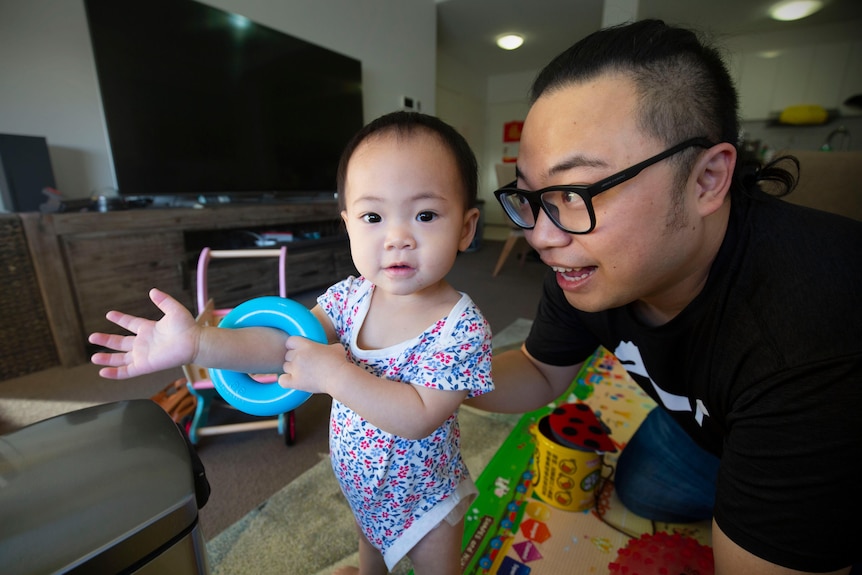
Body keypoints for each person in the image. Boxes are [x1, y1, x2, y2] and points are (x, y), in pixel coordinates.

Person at [467, 19, 862, 575]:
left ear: (706, 179)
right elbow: (539, 370)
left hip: (809, 411)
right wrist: (423, 373)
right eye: (531, 197)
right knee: (645, 491)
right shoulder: (584, 260)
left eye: (573, 191)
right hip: (712, 423)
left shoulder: (810, 334)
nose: (540, 236)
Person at [89, 111, 493, 575]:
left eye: (425, 214)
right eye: (373, 216)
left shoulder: (462, 328)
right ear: (348, 225)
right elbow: (283, 345)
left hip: (426, 500)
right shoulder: (350, 298)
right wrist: (201, 345)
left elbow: (420, 416)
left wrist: (336, 375)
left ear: (465, 227)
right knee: (370, 548)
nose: (397, 238)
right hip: (360, 482)